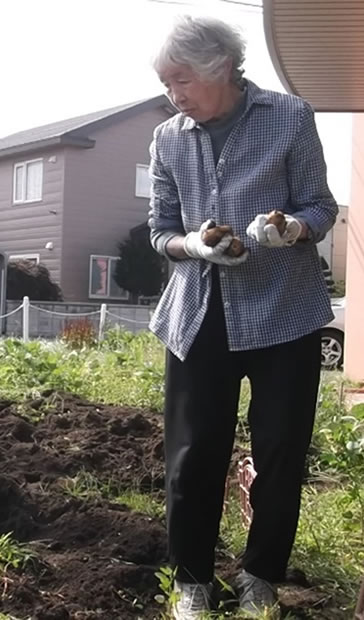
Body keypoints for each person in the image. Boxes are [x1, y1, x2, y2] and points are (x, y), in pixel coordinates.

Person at [147, 15, 337, 620]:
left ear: (220, 68)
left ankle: (260, 576)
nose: (172, 94)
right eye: (165, 83)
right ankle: (192, 582)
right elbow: (160, 230)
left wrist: (291, 230)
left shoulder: (290, 116)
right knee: (194, 451)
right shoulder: (168, 138)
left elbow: (320, 206)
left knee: (281, 449)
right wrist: (193, 246)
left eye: (180, 80)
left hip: (285, 312)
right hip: (199, 314)